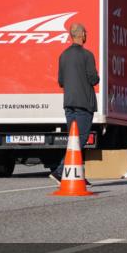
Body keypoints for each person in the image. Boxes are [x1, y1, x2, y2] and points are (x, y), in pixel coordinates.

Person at [51, 23, 100, 183]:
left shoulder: (63, 55)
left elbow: (61, 81)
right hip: (84, 104)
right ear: (82, 35)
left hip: (69, 103)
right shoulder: (87, 55)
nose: (86, 35)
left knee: (73, 139)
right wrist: (96, 77)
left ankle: (77, 174)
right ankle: (60, 171)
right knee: (80, 139)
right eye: (86, 33)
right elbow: (93, 79)